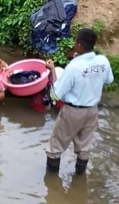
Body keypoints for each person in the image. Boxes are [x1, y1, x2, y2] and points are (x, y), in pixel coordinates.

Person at [45, 27, 114, 175]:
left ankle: (51, 184)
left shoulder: (74, 67)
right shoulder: (103, 61)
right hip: (92, 111)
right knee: (84, 147)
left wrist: (52, 70)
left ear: (79, 46)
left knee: (55, 147)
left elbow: (56, 94)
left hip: (73, 112)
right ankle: (79, 178)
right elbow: (109, 80)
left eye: (75, 41)